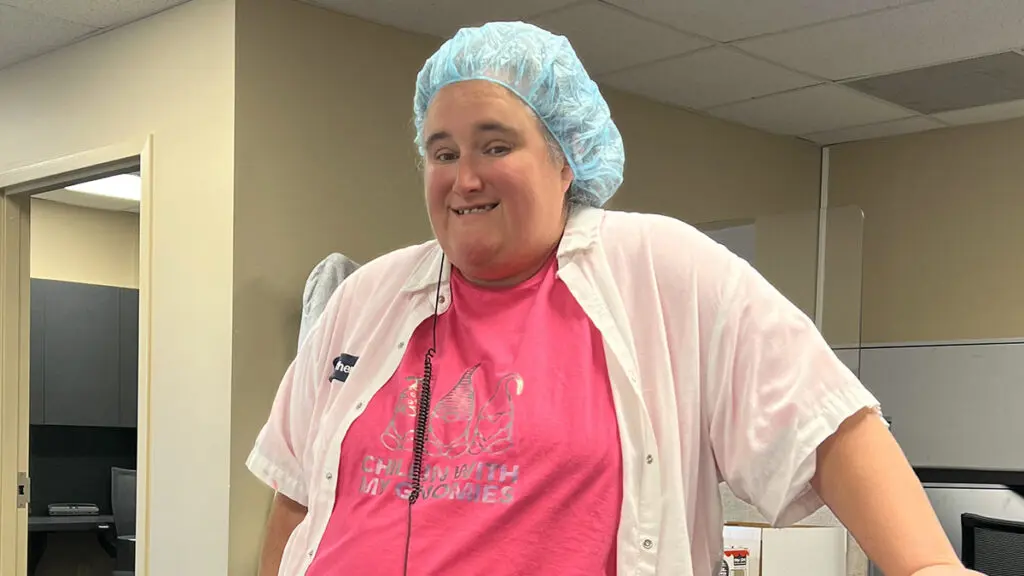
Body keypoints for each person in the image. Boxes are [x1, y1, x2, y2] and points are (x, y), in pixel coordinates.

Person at [247, 21, 979, 576]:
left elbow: (827, 428)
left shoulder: (660, 270)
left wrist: (928, 567)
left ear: (566, 160)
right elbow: (298, 495)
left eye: (495, 146)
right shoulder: (367, 298)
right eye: (442, 153)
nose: (463, 177)